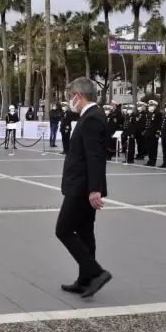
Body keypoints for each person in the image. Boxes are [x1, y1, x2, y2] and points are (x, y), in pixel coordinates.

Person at [56, 78, 112, 299]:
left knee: (63, 230)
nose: (70, 101)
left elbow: (95, 156)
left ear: (79, 95)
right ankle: (85, 279)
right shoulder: (91, 116)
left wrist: (95, 189)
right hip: (82, 184)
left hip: (81, 187)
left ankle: (97, 272)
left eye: (71, 97)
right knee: (85, 232)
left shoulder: (92, 118)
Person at [143, 100, 162, 167]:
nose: (150, 107)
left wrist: (157, 133)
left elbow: (159, 124)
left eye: (152, 105)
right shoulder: (148, 114)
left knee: (153, 148)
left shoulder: (158, 114)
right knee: (148, 148)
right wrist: (145, 131)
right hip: (148, 133)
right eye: (150, 105)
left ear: (155, 106)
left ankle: (153, 161)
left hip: (154, 134)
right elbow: (146, 124)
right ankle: (150, 160)